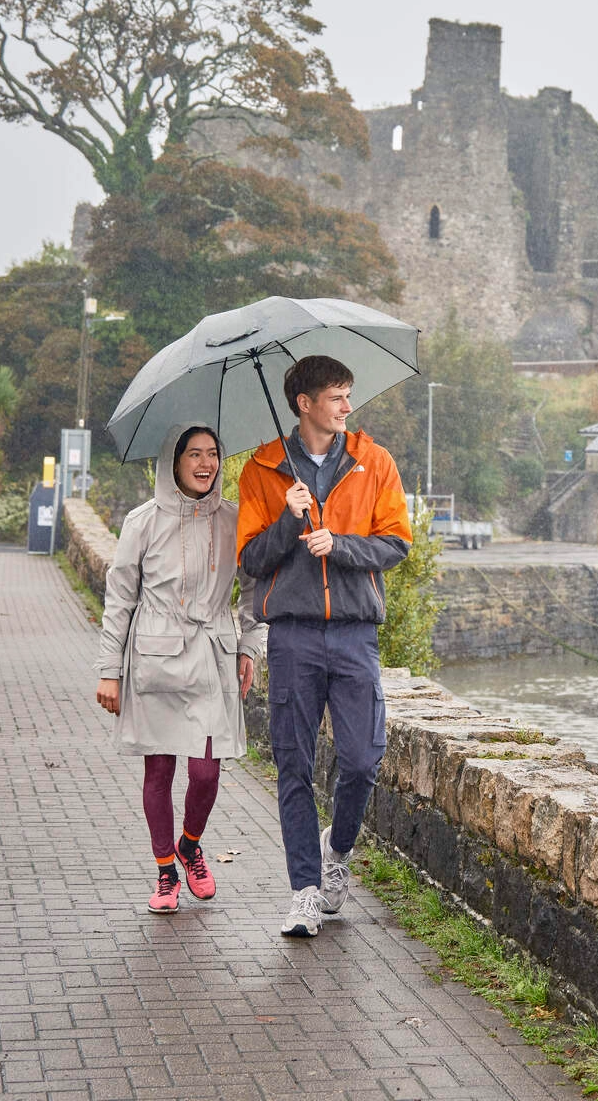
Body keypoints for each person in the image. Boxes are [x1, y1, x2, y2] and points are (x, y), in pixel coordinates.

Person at [236, 354, 411, 937]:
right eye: (336, 396)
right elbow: (251, 562)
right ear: (304, 403)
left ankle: (338, 854)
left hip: (356, 633)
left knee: (362, 760)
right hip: (293, 635)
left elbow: (396, 545)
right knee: (294, 764)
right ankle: (305, 892)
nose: (346, 407)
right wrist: (287, 522)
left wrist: (339, 545)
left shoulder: (373, 461)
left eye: (348, 395)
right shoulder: (264, 471)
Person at [94, 424, 265, 913]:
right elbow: (120, 598)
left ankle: (191, 845)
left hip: (213, 656)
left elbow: (255, 590)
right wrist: (110, 670)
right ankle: (166, 870)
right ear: (174, 461)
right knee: (160, 768)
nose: (205, 463)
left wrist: (250, 647)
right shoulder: (142, 522)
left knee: (207, 772)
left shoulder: (235, 519)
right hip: (155, 655)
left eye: (213, 453)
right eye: (194, 454)